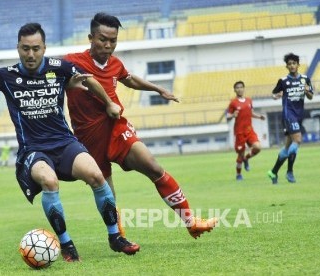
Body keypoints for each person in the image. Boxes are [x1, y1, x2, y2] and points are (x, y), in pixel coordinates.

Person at [0, 23, 140, 262]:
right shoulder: (6, 76)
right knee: (49, 181)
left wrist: (108, 103)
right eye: (25, 48)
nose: (31, 54)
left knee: (97, 176)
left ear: (44, 48)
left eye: (36, 49)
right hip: (33, 150)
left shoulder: (60, 68)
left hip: (65, 143)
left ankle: (115, 237)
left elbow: (89, 79)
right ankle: (67, 244)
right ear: (18, 48)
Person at [64, 13, 218, 239]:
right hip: (88, 137)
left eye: (113, 40)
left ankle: (191, 222)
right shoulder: (71, 61)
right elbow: (86, 80)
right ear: (90, 37)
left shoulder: (115, 64)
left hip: (116, 128)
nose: (108, 45)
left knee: (153, 166)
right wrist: (107, 103)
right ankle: (117, 235)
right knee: (105, 189)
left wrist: (158, 89)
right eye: (103, 39)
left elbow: (129, 79)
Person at [267, 53, 314, 184]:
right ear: (287, 66)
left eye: (294, 63)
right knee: (298, 140)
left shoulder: (305, 79)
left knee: (288, 148)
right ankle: (289, 172)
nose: (292, 65)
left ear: (298, 65)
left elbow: (310, 96)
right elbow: (273, 94)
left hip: (298, 115)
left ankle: (273, 172)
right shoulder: (283, 81)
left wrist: (307, 91)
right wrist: (276, 96)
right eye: (289, 64)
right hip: (288, 115)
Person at [226, 81, 265, 181]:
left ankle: (246, 159)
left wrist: (259, 116)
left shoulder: (249, 100)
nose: (239, 89)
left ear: (244, 88)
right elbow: (228, 117)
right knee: (240, 154)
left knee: (258, 147)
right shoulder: (233, 103)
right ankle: (238, 174)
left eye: (241, 87)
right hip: (239, 132)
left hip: (249, 130)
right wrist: (232, 116)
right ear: (235, 90)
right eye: (237, 88)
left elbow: (250, 113)